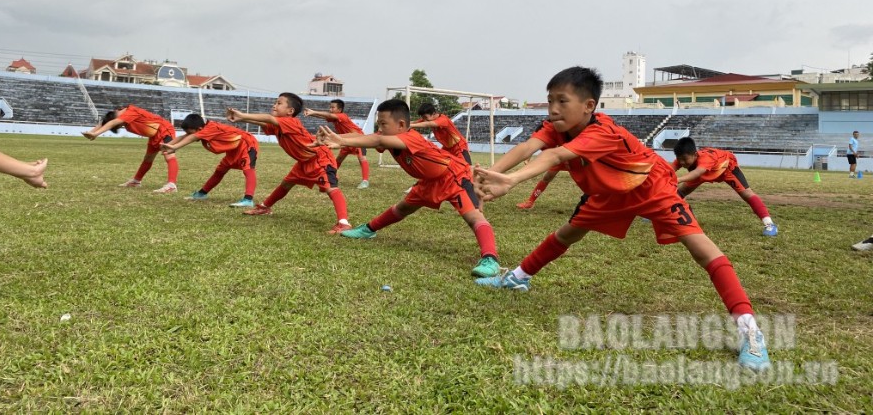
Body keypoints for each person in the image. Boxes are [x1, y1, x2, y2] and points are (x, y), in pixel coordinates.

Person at [473, 66, 771, 372]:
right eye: (550, 100)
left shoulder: (602, 131)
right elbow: (527, 147)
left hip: (652, 187)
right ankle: (518, 278)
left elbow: (554, 157)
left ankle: (750, 331)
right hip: (610, 194)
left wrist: (512, 180)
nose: (552, 109)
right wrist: (494, 173)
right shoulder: (556, 126)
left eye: (562, 101)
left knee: (702, 249)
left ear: (589, 106)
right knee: (568, 233)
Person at [316, 98, 501, 279]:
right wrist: (337, 138)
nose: (380, 128)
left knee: (473, 218)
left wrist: (342, 141)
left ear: (401, 124)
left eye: (383, 123)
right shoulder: (388, 136)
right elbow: (366, 137)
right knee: (402, 208)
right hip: (428, 181)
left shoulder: (410, 137)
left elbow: (377, 141)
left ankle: (490, 259)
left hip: (453, 177)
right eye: (378, 123)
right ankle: (368, 230)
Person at [226, 93, 352, 234]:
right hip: (304, 161)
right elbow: (266, 122)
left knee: (331, 189)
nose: (274, 105)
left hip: (320, 159)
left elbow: (268, 119)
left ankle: (343, 223)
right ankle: (264, 207)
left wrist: (243, 116)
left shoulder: (291, 122)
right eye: (275, 102)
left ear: (290, 111)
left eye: (279, 103)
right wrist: (242, 119)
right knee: (286, 183)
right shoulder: (279, 123)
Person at [672, 137, 778, 237]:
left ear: (695, 155)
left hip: (727, 169)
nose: (682, 162)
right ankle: (690, 222)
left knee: (747, 194)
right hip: (702, 173)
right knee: (678, 193)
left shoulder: (706, 158)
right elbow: (668, 169)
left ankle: (770, 224)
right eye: (679, 159)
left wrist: (678, 179)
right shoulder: (683, 157)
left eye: (684, 159)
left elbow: (698, 172)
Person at [161, 114, 258, 208]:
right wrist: (167, 145)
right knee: (220, 171)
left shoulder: (209, 128)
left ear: (199, 129)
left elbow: (192, 137)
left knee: (248, 169)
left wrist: (174, 147)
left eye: (190, 132)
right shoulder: (203, 129)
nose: (189, 134)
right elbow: (184, 136)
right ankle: (202, 194)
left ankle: (248, 200)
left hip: (247, 143)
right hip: (234, 149)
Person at [82, 105, 179, 193]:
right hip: (154, 135)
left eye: (119, 126)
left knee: (169, 155)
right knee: (148, 158)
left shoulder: (130, 111)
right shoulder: (121, 114)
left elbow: (114, 121)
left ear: (117, 111)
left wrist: (95, 134)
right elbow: (105, 121)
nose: (121, 125)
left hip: (164, 130)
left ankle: (171, 185)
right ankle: (136, 182)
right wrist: (91, 132)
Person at [304, 99, 370, 189]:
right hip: (344, 141)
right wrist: (312, 113)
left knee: (362, 158)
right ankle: (331, 177)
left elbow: (328, 115)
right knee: (338, 160)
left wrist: (313, 111)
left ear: (339, 110)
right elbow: (325, 116)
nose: (330, 109)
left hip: (357, 138)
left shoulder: (342, 116)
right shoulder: (335, 118)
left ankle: (365, 181)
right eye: (330, 107)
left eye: (332, 107)